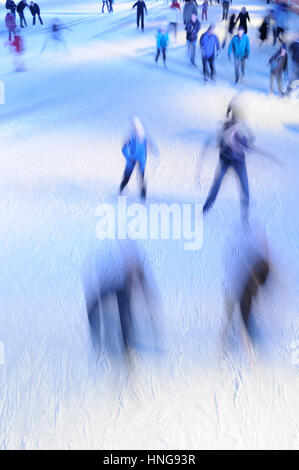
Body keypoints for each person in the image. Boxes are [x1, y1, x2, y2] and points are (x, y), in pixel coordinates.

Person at [202, 106, 254, 223]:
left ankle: (245, 216)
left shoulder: (242, 129)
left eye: (236, 118)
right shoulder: (224, 128)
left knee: (245, 187)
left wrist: (243, 144)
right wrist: (225, 144)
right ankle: (206, 208)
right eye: (232, 118)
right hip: (225, 160)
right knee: (216, 184)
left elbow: (250, 143)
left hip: (239, 162)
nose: (233, 120)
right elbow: (219, 143)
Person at [120, 117, 148, 200]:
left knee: (141, 177)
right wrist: (129, 157)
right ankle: (121, 189)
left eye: (138, 129)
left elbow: (149, 145)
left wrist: (154, 152)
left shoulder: (144, 137)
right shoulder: (131, 138)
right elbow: (124, 148)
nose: (137, 131)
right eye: (135, 129)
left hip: (141, 160)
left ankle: (143, 195)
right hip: (131, 160)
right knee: (127, 176)